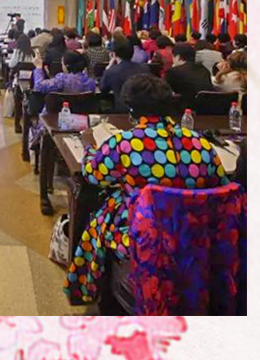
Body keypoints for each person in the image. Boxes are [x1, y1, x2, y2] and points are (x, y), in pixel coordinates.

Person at [65, 74, 231, 306]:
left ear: (131, 110)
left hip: (142, 235)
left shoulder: (124, 144)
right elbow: (222, 187)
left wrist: (89, 148)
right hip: (195, 235)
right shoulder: (201, 144)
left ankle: (90, 288)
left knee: (100, 205)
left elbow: (93, 175)